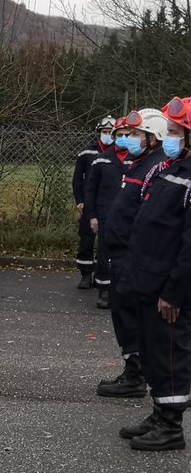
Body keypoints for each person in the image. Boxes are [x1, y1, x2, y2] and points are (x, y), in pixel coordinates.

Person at [113, 96, 191, 452]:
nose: (170, 138)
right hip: (148, 281)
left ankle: (171, 426)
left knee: (169, 356)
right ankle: (160, 413)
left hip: (168, 290)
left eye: (176, 132)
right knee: (152, 351)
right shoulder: (170, 170)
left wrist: (175, 292)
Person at [98, 109, 168, 399]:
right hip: (122, 255)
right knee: (124, 314)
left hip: (134, 257)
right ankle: (134, 369)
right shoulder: (137, 164)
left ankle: (138, 374)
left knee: (135, 317)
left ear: (154, 138)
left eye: (136, 135)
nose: (128, 139)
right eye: (125, 134)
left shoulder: (155, 166)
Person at [84, 116, 128, 309]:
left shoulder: (138, 161)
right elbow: (90, 189)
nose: (123, 138)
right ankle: (104, 291)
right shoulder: (102, 159)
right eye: (120, 135)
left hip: (129, 216)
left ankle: (122, 293)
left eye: (129, 134)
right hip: (104, 214)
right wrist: (92, 215)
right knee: (104, 253)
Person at [73, 118, 114, 290]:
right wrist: (80, 201)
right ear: (99, 132)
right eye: (104, 132)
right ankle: (86, 274)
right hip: (89, 202)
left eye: (110, 132)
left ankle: (102, 275)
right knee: (87, 238)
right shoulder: (87, 152)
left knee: (107, 241)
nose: (107, 135)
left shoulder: (119, 154)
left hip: (108, 203)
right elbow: (77, 179)